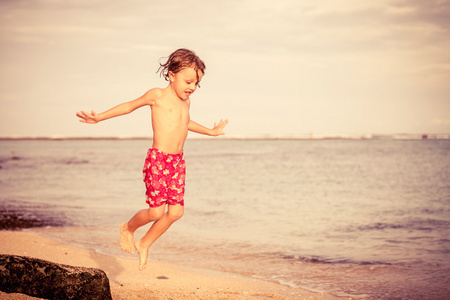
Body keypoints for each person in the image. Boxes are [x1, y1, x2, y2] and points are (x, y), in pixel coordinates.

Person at [76, 48, 228, 270]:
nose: (192, 88)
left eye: (196, 84)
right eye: (188, 81)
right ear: (171, 74)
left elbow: (184, 122)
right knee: (156, 212)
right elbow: (129, 106)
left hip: (177, 163)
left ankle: (144, 243)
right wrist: (100, 117)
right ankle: (128, 228)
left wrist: (211, 132)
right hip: (158, 161)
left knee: (176, 212)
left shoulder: (186, 103)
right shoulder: (157, 95)